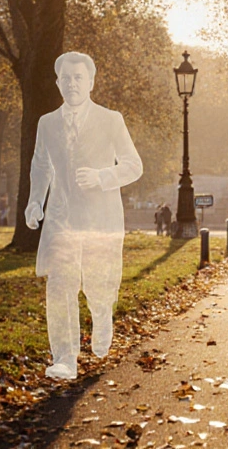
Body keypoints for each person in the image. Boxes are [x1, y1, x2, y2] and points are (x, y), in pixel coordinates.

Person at [25, 52, 143, 380]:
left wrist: (103, 177)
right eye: (67, 78)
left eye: (79, 77)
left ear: (90, 82)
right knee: (60, 284)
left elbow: (134, 166)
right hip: (61, 219)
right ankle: (65, 358)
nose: (73, 83)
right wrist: (35, 202)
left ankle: (102, 316)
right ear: (58, 82)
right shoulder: (46, 123)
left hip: (100, 219)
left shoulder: (111, 120)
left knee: (98, 284)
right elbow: (41, 165)